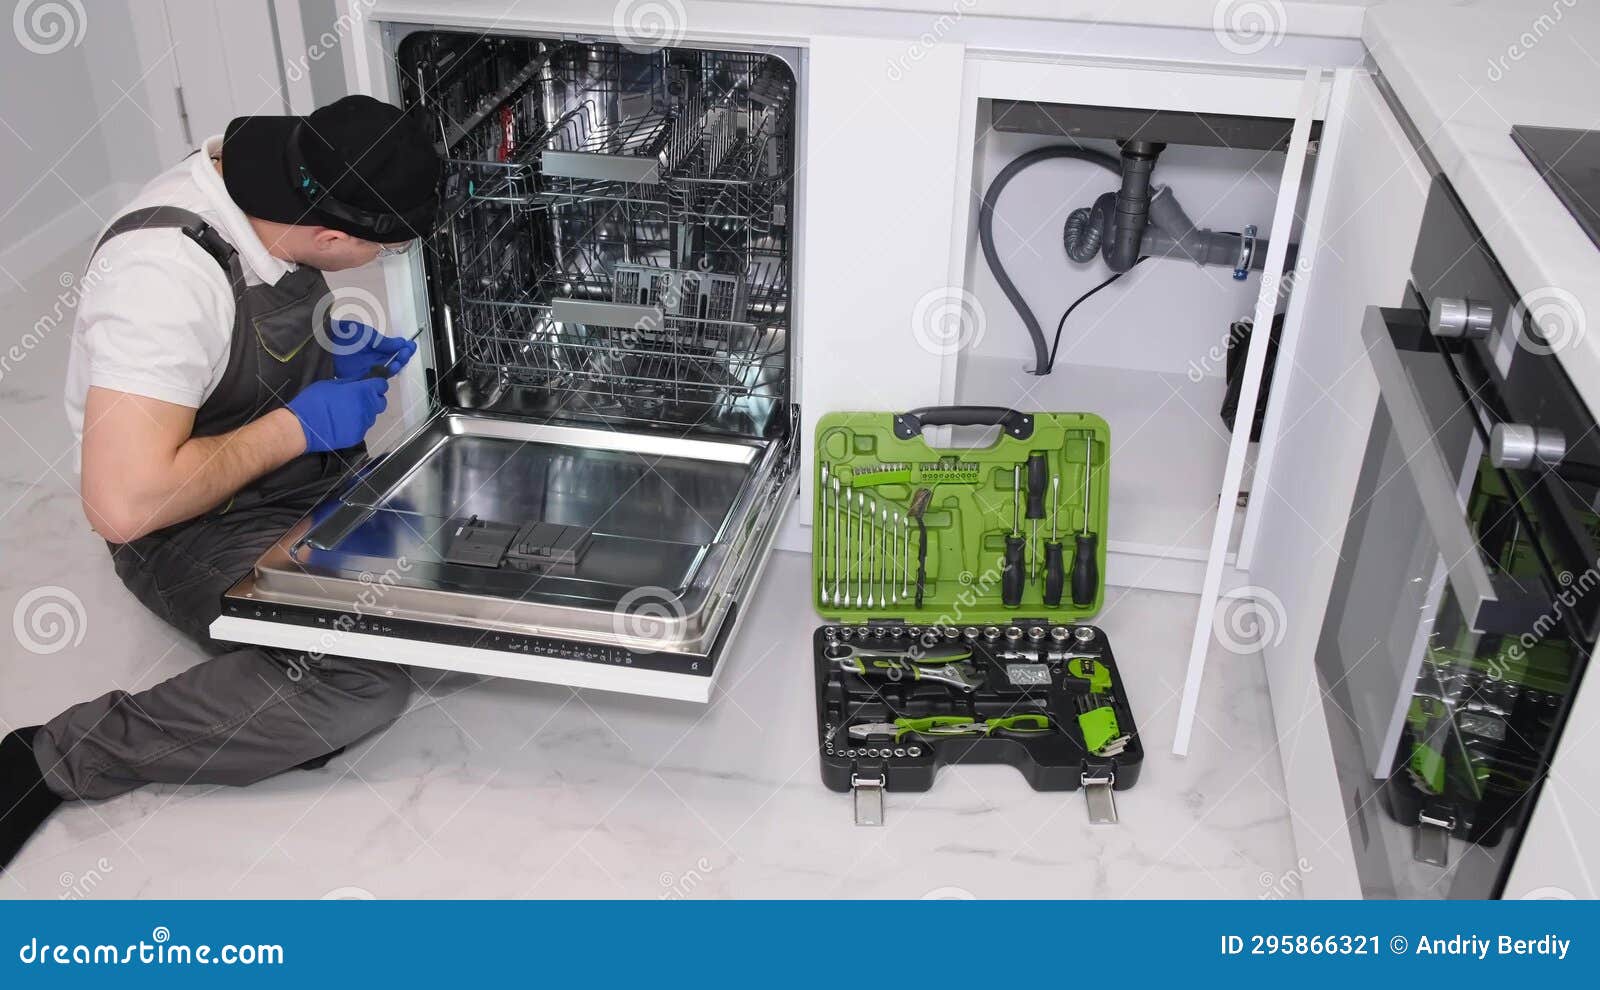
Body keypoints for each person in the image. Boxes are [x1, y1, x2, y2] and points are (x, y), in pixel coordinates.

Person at [0, 95, 442, 869]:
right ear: (335, 235)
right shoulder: (160, 280)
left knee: (470, 578)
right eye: (390, 248)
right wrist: (299, 425)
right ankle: (54, 758)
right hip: (194, 525)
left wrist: (326, 352)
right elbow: (124, 505)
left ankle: (275, 693)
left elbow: (241, 342)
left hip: (309, 483)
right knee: (362, 680)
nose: (388, 260)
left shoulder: (278, 177)